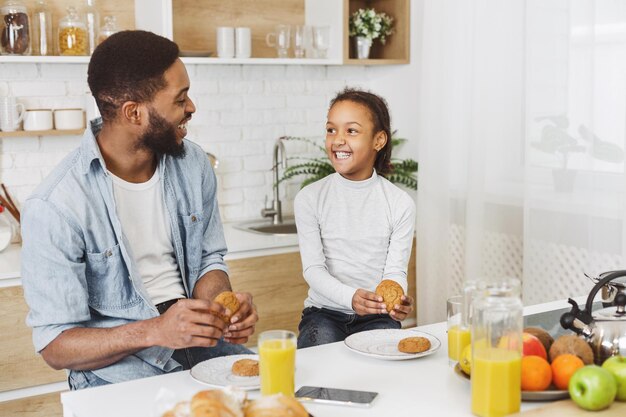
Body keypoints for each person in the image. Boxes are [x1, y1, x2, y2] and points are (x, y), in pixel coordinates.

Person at [20, 30, 258, 390]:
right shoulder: (56, 205)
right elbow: (56, 346)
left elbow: (210, 260)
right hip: (117, 372)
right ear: (134, 113)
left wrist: (221, 311)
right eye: (180, 99)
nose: (191, 107)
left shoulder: (194, 163)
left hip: (201, 346)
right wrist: (157, 330)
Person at [295, 88, 416, 348]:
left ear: (378, 140)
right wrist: (351, 298)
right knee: (319, 374)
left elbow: (395, 271)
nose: (338, 140)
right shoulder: (310, 198)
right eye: (331, 130)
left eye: (351, 131)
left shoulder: (399, 203)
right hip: (323, 314)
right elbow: (313, 270)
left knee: (382, 371)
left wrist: (397, 298)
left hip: (376, 316)